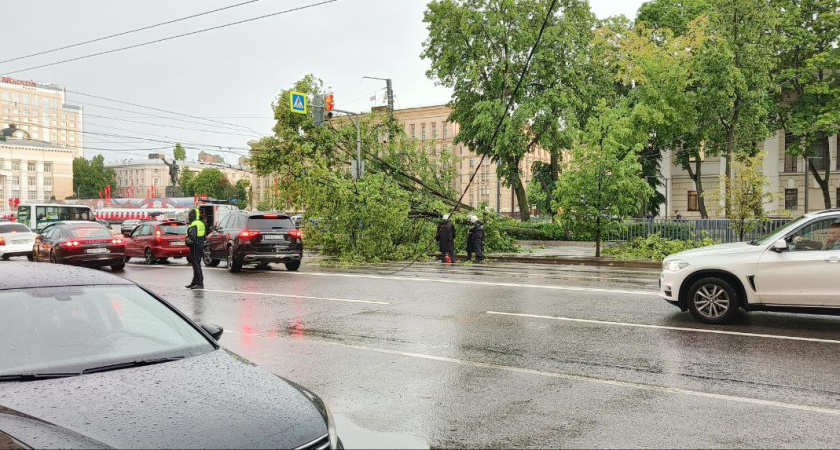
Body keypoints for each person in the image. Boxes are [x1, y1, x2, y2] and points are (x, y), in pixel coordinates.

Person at [186, 208, 206, 289]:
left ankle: (199, 283)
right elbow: (204, 236)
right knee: (197, 264)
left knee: (196, 264)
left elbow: (192, 237)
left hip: (195, 245)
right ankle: (195, 282)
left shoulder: (194, 224)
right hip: (200, 244)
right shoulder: (201, 223)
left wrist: (187, 240)